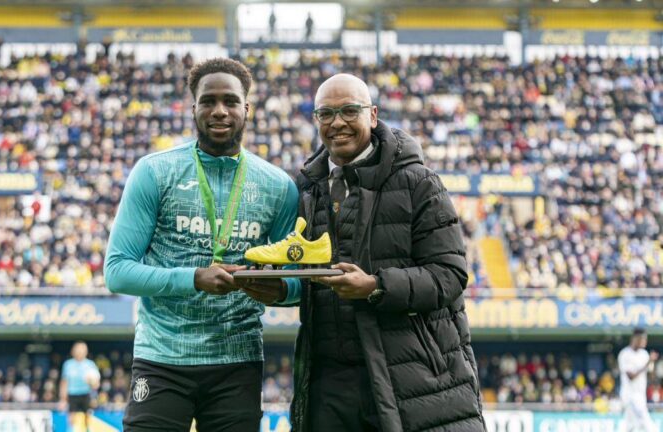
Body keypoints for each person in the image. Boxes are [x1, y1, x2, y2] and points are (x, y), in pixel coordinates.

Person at [104, 57, 299, 432]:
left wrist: (279, 290)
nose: (219, 111)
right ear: (193, 108)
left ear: (247, 108)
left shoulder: (278, 186)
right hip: (162, 357)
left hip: (237, 360)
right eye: (208, 101)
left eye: (230, 101)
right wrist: (194, 278)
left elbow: (301, 281)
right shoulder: (155, 172)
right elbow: (117, 272)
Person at [284, 73, 485, 432]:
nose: (337, 123)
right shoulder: (307, 188)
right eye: (326, 114)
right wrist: (277, 288)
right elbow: (304, 278)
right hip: (328, 381)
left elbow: (450, 275)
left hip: (409, 376)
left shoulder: (419, 183)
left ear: (373, 115)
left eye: (349, 110)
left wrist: (376, 286)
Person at [618, 328, 659, 432]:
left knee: (629, 425)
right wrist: (648, 362)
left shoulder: (644, 354)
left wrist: (652, 363)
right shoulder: (625, 354)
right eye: (643, 339)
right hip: (629, 395)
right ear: (635, 338)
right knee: (647, 423)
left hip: (641, 395)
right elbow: (631, 377)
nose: (645, 341)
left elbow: (651, 376)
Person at [59, 341, 100, 432]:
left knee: (88, 417)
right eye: (78, 349)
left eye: (82, 349)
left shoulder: (90, 365)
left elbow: (96, 384)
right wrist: (63, 399)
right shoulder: (68, 364)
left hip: (86, 393)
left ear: (86, 351)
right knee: (71, 418)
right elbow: (64, 382)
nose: (80, 351)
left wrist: (92, 382)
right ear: (73, 351)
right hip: (72, 394)